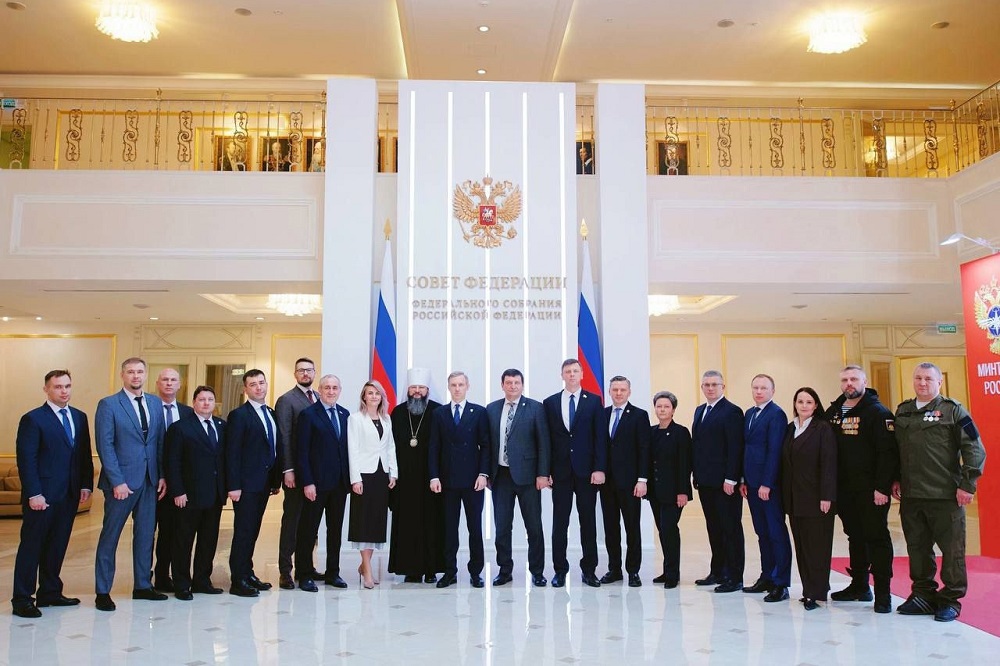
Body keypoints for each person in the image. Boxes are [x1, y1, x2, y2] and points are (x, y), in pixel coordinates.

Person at [892, 362, 987, 622]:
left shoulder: (954, 411)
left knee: (952, 551)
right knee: (918, 549)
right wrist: (895, 478)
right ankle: (923, 594)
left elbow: (974, 448)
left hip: (945, 496)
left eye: (928, 378)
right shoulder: (903, 411)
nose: (922, 383)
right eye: (918, 378)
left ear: (939, 382)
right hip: (912, 496)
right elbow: (896, 451)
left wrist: (967, 484)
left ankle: (950, 599)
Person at [11, 370, 94, 619]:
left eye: (67, 386)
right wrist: (34, 493)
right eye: (58, 387)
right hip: (43, 496)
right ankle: (22, 599)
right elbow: (27, 460)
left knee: (57, 546)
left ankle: (49, 592)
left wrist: (85, 484)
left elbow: (83, 454)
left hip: (69, 494)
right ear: (46, 389)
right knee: (32, 547)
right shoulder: (33, 419)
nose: (64, 391)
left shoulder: (79, 417)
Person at [823, 364, 898, 614]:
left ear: (864, 382)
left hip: (871, 491)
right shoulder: (835, 411)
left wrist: (882, 487)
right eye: (845, 380)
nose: (849, 384)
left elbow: (887, 454)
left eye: (854, 379)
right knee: (854, 536)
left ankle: (883, 593)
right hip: (845, 490)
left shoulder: (878, 412)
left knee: (876, 538)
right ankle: (859, 586)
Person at [543, 359, 607, 588]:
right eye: (567, 371)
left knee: (588, 522)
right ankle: (560, 570)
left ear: (582, 374)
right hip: (560, 473)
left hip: (586, 472)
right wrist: (546, 471)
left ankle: (589, 570)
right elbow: (546, 441)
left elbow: (600, 437)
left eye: (575, 371)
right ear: (562, 375)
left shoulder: (594, 401)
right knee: (560, 523)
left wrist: (599, 468)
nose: (571, 374)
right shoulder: (550, 403)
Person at [486, 368, 550, 587]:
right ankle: (505, 570)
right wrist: (487, 473)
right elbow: (488, 445)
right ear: (502, 385)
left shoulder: (535, 408)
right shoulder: (492, 409)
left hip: (529, 477)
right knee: (502, 527)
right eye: (509, 383)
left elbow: (543, 444)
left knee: (534, 526)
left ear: (522, 385)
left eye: (516, 383)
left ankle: (537, 571)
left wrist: (543, 474)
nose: (513, 386)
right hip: (500, 476)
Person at [429, 371, 490, 588]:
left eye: (460, 385)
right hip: (447, 481)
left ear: (467, 386)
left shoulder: (479, 412)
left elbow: (486, 446)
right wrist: (434, 476)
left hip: (473, 481)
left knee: (475, 528)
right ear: (449, 387)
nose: (457, 388)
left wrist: (483, 474)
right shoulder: (439, 413)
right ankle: (449, 571)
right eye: (453, 385)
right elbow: (434, 447)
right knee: (449, 528)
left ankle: (476, 572)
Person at [165, 385, 227, 600]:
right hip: (188, 496)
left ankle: (202, 580)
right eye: (202, 399)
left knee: (208, 541)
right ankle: (182, 583)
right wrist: (177, 491)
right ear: (194, 403)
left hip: (214, 495)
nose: (206, 403)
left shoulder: (221, 425)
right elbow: (172, 462)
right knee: (183, 541)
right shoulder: (180, 428)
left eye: (210, 399)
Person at [225, 369, 281, 597]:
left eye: (261, 383)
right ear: (245, 389)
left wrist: (275, 480)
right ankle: (238, 580)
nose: (258, 387)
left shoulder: (271, 413)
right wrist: (233, 485)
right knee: (243, 531)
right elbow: (232, 452)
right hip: (246, 485)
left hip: (264, 483)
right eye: (253, 384)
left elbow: (273, 447)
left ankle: (248, 573)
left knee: (254, 530)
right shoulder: (239, 415)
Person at [294, 374, 351, 591]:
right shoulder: (308, 415)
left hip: (339, 485)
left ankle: (332, 573)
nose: (331, 391)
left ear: (340, 390)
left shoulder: (345, 414)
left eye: (335, 388)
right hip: (315, 485)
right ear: (319, 390)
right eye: (327, 387)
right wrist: (307, 482)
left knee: (335, 531)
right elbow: (302, 452)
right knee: (308, 530)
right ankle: (304, 573)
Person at [782, 387, 837, 611]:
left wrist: (826, 496)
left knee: (817, 547)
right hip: (795, 499)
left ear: (815, 405)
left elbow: (829, 463)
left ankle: (818, 592)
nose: (804, 406)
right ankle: (808, 590)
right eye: (800, 401)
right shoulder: (791, 428)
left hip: (816, 499)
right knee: (802, 547)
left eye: (808, 402)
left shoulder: (822, 428)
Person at [388, 368, 445, 583]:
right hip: (404, 479)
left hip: (431, 477)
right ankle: (410, 569)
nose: (417, 391)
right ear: (408, 389)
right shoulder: (398, 412)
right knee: (407, 523)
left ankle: (431, 569)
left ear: (428, 390)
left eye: (421, 387)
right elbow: (390, 446)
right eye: (414, 387)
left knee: (432, 522)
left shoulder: (438, 411)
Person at [691, 370, 745, 593]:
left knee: (730, 528)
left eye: (715, 384)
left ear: (723, 386)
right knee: (713, 528)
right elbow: (699, 445)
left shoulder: (732, 411)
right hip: (706, 482)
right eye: (707, 385)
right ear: (702, 387)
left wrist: (731, 478)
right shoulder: (700, 410)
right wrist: (696, 475)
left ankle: (734, 576)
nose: (710, 388)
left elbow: (735, 447)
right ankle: (718, 571)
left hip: (725, 483)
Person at [740, 374, 792, 602]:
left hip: (767, 485)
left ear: (772, 391)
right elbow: (747, 447)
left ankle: (781, 582)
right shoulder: (750, 414)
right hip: (751, 484)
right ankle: (767, 576)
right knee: (762, 532)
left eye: (763, 388)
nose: (759, 391)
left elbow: (774, 451)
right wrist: (743, 479)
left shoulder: (776, 414)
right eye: (756, 387)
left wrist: (767, 483)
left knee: (776, 533)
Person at [347, 380, 398, 589]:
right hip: (364, 475)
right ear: (364, 397)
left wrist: (393, 473)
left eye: (377, 393)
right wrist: (355, 479)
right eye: (370, 393)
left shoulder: (386, 419)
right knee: (363, 522)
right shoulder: (355, 419)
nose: (374, 396)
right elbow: (352, 449)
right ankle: (367, 570)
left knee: (376, 522)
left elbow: (390, 447)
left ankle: (364, 565)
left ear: (382, 397)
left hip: (381, 475)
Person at [599, 375, 649, 587]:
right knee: (611, 528)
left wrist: (642, 479)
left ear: (629, 392)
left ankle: (633, 571)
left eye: (622, 390)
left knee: (632, 528)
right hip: (606, 483)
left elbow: (644, 449)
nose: (618, 393)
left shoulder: (639, 415)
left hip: (630, 483)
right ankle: (614, 569)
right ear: (609, 391)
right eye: (615, 390)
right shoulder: (602, 414)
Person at [274, 357, 318, 590]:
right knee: (291, 522)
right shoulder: (286, 400)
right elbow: (284, 436)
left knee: (309, 524)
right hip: (295, 474)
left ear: (314, 372)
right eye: (301, 370)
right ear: (295, 374)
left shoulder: (318, 397)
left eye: (309, 370)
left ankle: (305, 567)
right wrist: (288, 469)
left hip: (314, 474)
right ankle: (285, 571)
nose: (305, 374)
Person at [152, 368, 193, 593]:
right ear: (158, 383)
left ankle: (168, 576)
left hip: (179, 484)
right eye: (165, 380)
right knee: (151, 533)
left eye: (173, 380)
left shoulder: (188, 413)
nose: (169, 383)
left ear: (180, 385)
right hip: (153, 481)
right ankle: (149, 577)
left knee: (174, 532)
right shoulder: (149, 409)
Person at [647, 391, 692, 589]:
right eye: (659, 406)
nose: (662, 410)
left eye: (666, 406)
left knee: (669, 529)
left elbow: (684, 464)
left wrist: (682, 491)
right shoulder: (651, 432)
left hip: (674, 492)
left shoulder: (680, 433)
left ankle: (673, 573)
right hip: (655, 491)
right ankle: (667, 570)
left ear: (673, 410)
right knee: (662, 531)